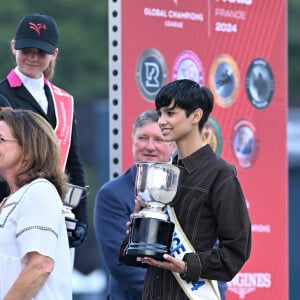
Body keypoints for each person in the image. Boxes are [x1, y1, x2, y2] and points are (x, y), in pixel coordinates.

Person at [120, 79, 252, 299]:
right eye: (160, 113)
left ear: (196, 116)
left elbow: (236, 251)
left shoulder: (220, 174)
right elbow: (131, 257)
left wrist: (187, 266)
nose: (161, 121)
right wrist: (139, 231)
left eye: (170, 113)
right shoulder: (161, 172)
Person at [0, 12, 87, 248]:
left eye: (41, 52)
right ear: (14, 47)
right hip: (14, 209)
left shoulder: (64, 100)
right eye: (26, 49)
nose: (32, 57)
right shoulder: (2, 95)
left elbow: (73, 164)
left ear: (54, 54)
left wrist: (80, 218)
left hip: (58, 212)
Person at [94, 110, 176, 300]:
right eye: (143, 138)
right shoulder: (112, 195)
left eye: (159, 139)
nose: (150, 146)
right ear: (132, 141)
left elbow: (208, 255)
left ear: (173, 146)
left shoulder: (190, 192)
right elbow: (122, 265)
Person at [0, 108, 72, 299]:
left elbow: (40, 265)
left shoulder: (39, 191)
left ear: (28, 150)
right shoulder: (15, 198)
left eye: (1, 139)